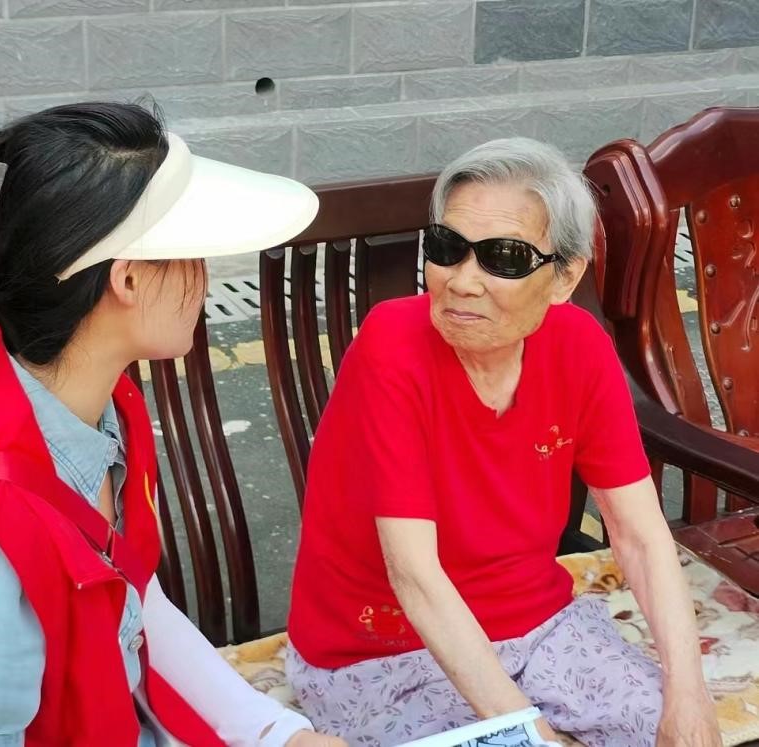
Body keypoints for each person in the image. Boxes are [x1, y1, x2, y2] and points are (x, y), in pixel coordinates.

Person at [0, 102, 345, 747]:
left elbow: (131, 597)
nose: (205, 278)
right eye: (193, 253)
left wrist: (278, 733)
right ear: (129, 278)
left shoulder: (96, 405)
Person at [285, 138, 721, 747]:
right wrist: (526, 731)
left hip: (540, 625)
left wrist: (689, 695)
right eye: (447, 248)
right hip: (386, 652)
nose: (463, 282)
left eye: (505, 258)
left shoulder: (579, 347)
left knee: (670, 732)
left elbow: (641, 536)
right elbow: (415, 576)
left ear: (565, 276)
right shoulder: (392, 347)